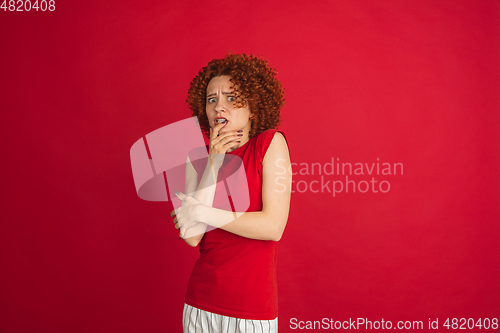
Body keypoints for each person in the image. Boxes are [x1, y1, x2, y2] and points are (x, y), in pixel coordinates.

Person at [170, 53, 292, 333]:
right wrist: (214, 161)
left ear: (253, 108)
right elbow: (191, 236)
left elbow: (273, 227)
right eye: (212, 100)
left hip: (252, 309)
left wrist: (201, 212)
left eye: (231, 98)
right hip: (200, 303)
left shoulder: (270, 144)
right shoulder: (196, 159)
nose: (219, 107)